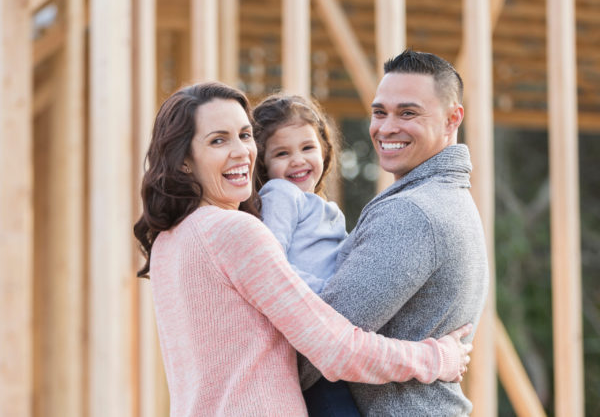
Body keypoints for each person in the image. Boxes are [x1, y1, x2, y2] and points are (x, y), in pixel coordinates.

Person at [133, 82, 473, 416]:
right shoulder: (233, 232)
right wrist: (437, 358)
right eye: (218, 140)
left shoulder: (167, 241)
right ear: (184, 161)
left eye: (245, 134)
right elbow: (335, 348)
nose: (241, 151)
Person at [298, 49, 490, 416]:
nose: (386, 128)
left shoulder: (413, 213)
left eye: (408, 113)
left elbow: (320, 343)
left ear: (453, 119)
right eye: (379, 112)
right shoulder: (448, 200)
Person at [253, 94, 359, 415]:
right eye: (282, 153)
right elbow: (273, 264)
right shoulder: (280, 195)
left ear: (324, 151)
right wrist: (324, 297)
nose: (297, 160)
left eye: (307, 148)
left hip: (326, 337)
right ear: (264, 165)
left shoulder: (328, 209)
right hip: (308, 337)